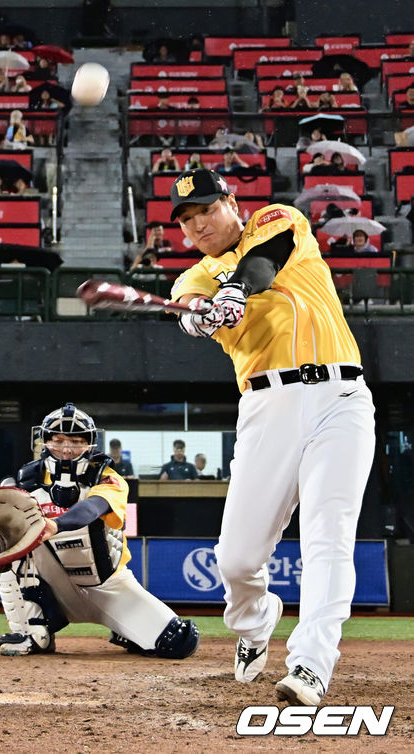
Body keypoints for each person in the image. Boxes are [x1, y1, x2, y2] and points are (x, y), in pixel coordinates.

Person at [168, 168, 375, 705]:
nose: (199, 225)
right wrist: (201, 315)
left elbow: (265, 260)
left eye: (207, 210)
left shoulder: (278, 220)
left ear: (231, 202)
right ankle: (256, 620)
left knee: (329, 537)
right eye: (187, 220)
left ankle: (310, 664)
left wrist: (237, 288)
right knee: (235, 559)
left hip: (341, 397)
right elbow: (190, 310)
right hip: (267, 406)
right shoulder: (193, 277)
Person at [0, 403, 199, 658]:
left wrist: (55, 524)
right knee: (6, 546)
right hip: (56, 587)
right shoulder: (24, 485)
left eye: (76, 441)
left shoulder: (108, 478)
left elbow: (91, 508)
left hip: (108, 585)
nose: (66, 449)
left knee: (178, 641)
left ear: (89, 444)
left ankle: (124, 628)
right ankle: (32, 632)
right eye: (58, 440)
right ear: (45, 441)